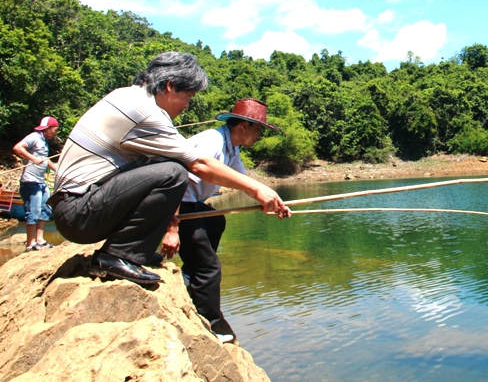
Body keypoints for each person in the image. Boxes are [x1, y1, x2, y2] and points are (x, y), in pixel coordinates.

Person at [49, 52, 291, 286]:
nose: (187, 105)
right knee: (174, 172)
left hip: (79, 207)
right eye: (189, 96)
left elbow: (234, 176)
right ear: (169, 85)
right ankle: (116, 256)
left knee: (166, 168)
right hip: (78, 212)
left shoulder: (127, 96)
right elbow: (198, 164)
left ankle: (131, 252)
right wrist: (258, 189)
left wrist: (263, 194)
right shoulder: (145, 112)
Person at [168, 98, 282, 343]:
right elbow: (173, 176)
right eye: (259, 129)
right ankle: (212, 324)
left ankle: (191, 275)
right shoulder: (213, 142)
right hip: (174, 203)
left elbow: (245, 182)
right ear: (243, 127)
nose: (260, 135)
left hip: (190, 204)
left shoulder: (232, 148)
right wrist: (172, 225)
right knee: (210, 268)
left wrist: (273, 202)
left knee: (216, 220)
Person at [13, 116, 59, 252]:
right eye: (55, 130)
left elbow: (44, 159)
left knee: (45, 209)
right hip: (30, 182)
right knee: (34, 211)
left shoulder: (44, 141)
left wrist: (58, 169)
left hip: (41, 182)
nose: (55, 132)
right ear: (48, 128)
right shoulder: (34, 137)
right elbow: (17, 148)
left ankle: (40, 240)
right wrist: (32, 158)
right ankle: (29, 244)